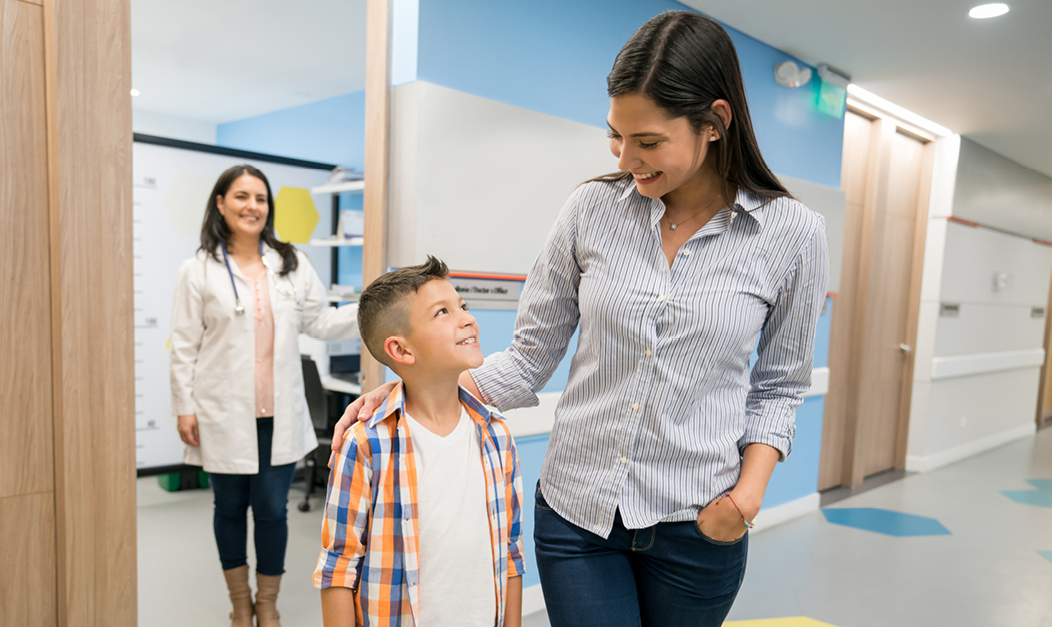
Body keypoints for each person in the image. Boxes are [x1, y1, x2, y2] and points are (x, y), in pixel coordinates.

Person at [331, 11, 829, 627]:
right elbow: (531, 356)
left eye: (648, 143)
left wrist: (744, 500)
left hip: (701, 522)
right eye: (616, 137)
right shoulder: (591, 211)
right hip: (578, 516)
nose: (626, 159)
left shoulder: (794, 235)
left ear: (716, 123)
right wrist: (407, 393)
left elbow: (779, 385)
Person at [170, 164, 359, 627]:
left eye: (260, 198)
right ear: (220, 203)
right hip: (221, 412)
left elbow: (321, 322)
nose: (252, 206)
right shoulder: (197, 270)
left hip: (279, 414)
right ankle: (240, 603)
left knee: (273, 511)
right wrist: (184, 407)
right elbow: (184, 345)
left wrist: (372, 305)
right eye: (241, 196)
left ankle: (267, 604)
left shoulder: (290, 263)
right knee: (229, 508)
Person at [314, 257, 524, 627]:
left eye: (462, 306)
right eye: (442, 312)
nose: (466, 318)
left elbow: (510, 553)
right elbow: (338, 566)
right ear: (402, 351)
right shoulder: (367, 444)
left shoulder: (496, 435)